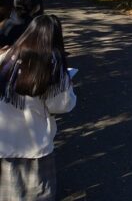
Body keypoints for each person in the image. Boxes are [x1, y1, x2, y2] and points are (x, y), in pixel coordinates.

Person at [0, 14, 76, 200]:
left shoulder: (5, 58)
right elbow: (63, 105)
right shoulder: (52, 68)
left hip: (4, 142)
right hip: (34, 144)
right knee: (38, 193)